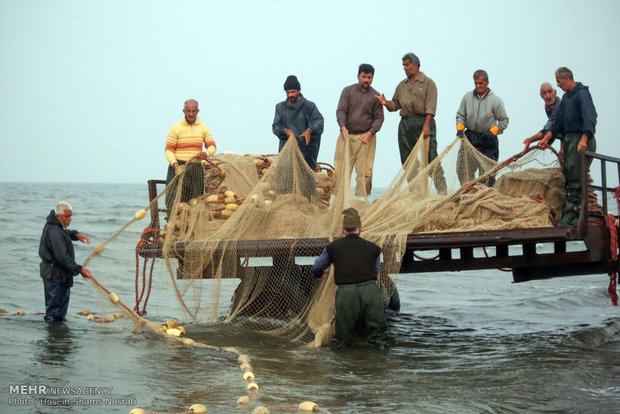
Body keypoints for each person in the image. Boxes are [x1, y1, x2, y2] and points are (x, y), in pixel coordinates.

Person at [312, 207, 387, 347]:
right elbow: (376, 270)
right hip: (369, 291)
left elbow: (317, 267)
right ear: (360, 230)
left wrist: (319, 274)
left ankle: (345, 365)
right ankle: (378, 363)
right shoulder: (373, 248)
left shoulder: (332, 247)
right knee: (377, 334)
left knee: (344, 337)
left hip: (346, 292)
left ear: (343, 230)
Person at [376, 53, 446, 193]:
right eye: (403, 66)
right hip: (406, 124)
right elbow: (394, 105)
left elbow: (431, 107)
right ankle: (415, 191)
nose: (405, 68)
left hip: (424, 122)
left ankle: (442, 189)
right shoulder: (402, 85)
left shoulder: (428, 83)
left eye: (407, 65)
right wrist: (386, 103)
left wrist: (426, 125)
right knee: (407, 160)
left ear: (416, 65)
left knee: (430, 156)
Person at [538, 67, 597, 226]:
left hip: (581, 139)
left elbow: (590, 118)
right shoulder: (566, 98)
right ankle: (569, 215)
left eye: (558, 81)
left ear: (566, 79)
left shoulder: (582, 95)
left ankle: (573, 217)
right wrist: (547, 138)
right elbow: (557, 124)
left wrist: (584, 139)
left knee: (576, 178)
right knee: (570, 176)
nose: (558, 85)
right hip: (570, 140)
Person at [336, 63, 384, 198]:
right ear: (358, 76)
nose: (366, 80)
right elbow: (341, 110)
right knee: (341, 170)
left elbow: (379, 118)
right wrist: (342, 127)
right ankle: (337, 201)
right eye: (364, 77)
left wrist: (371, 132)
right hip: (347, 136)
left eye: (369, 77)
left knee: (365, 172)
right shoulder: (347, 91)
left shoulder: (376, 95)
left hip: (366, 138)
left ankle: (361, 201)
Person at [39, 201, 92, 323]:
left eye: (70, 216)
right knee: (55, 312)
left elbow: (64, 233)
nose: (70, 219)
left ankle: (57, 337)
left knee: (58, 309)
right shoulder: (54, 231)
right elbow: (62, 257)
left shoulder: (55, 226)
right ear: (58, 216)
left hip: (57, 274)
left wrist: (76, 235)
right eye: (66, 216)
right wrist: (79, 269)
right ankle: (54, 337)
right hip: (55, 275)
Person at [456, 69, 509, 185]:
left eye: (480, 83)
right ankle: (467, 196)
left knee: (487, 175)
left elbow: (504, 120)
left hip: (488, 142)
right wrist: (460, 128)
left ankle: (484, 198)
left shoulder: (495, 101)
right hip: (470, 139)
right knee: (462, 170)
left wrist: (493, 131)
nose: (478, 86)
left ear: (487, 83)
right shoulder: (467, 98)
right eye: (475, 83)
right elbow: (460, 115)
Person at [164, 99, 217, 215]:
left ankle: (192, 228)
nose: (191, 114)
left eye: (194, 111)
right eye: (188, 111)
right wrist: (175, 164)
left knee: (195, 200)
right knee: (174, 199)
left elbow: (212, 146)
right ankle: (172, 225)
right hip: (179, 168)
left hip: (196, 168)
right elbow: (168, 150)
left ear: (198, 111)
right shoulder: (175, 128)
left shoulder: (203, 127)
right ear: (184, 111)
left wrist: (206, 154)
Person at [272, 75, 324, 170]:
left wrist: (309, 130)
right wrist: (285, 131)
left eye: (293, 92)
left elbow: (319, 122)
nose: (290, 95)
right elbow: (275, 127)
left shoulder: (309, 106)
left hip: (306, 154)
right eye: (288, 92)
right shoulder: (280, 107)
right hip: (287, 153)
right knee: (286, 181)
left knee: (305, 182)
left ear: (299, 91)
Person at [523, 82, 562, 150]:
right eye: (544, 93)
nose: (548, 96)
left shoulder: (559, 105)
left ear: (555, 92)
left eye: (550, 92)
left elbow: (549, 127)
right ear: (541, 96)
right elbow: (554, 129)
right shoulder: (547, 107)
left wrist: (531, 140)